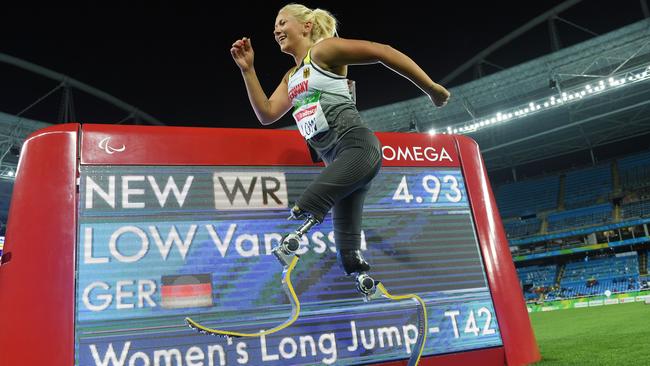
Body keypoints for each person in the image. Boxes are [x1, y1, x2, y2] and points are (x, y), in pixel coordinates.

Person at [230, 3, 450, 293]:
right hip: (337, 163)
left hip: (358, 150)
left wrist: (431, 88)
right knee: (348, 248)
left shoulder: (323, 52)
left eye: (283, 22)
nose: (276, 30)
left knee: (307, 204)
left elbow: (381, 51)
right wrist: (248, 69)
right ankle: (365, 281)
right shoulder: (291, 77)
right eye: (275, 25)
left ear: (306, 26)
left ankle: (291, 242)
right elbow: (267, 113)